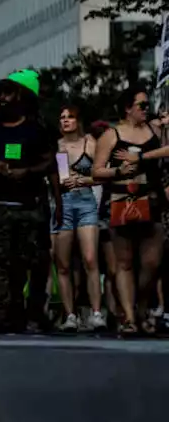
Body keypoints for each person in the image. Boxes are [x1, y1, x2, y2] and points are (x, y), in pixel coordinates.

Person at [0, 70, 61, 334]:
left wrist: (31, 174)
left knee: (36, 262)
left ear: (19, 98)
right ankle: (7, 315)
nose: (2, 101)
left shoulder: (36, 130)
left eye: (8, 96)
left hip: (31, 207)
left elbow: (50, 163)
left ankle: (36, 313)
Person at [96, 84, 165, 335]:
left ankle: (141, 306)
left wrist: (142, 158)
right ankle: (128, 317)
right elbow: (97, 170)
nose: (146, 110)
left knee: (152, 263)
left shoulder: (155, 130)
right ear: (127, 108)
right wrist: (118, 171)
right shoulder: (111, 135)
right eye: (142, 105)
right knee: (124, 263)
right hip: (122, 200)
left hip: (153, 200)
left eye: (148, 105)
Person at [55, 104, 103, 332]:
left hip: (85, 201)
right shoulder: (57, 147)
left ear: (78, 121)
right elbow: (53, 177)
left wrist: (83, 180)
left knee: (90, 259)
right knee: (62, 263)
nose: (65, 121)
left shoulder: (90, 143)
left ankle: (96, 312)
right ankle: (70, 314)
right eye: (62, 117)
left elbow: (102, 174)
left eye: (70, 117)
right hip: (63, 202)